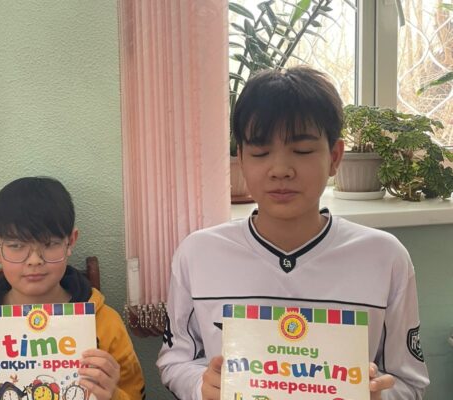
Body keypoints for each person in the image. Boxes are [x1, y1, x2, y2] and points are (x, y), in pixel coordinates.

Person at [157, 66, 429, 400]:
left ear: (335, 157)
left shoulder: (384, 257)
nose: (281, 170)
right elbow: (175, 360)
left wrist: (379, 396)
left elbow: (411, 382)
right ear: (240, 159)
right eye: (260, 153)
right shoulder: (198, 254)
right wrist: (201, 386)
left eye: (302, 151)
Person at [0, 176, 145, 400]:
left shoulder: (106, 324)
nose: (34, 260)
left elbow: (134, 393)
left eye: (50, 244)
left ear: (70, 242)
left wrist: (113, 395)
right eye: (16, 246)